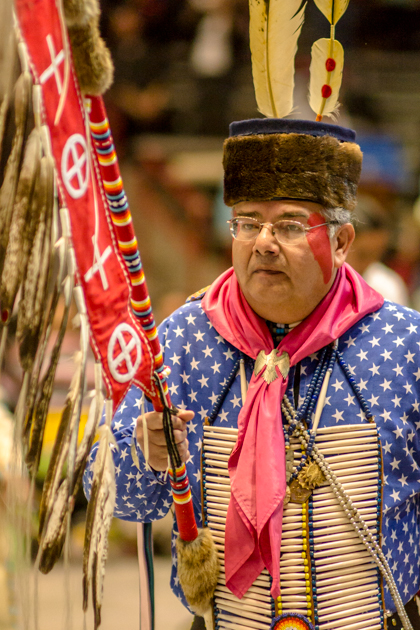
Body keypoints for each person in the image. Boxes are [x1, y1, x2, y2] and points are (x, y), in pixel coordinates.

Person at [84, 118, 420, 630]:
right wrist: (144, 455)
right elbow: (112, 494)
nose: (263, 242)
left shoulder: (403, 344)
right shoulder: (185, 338)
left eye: (290, 225)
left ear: (342, 240)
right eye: (246, 222)